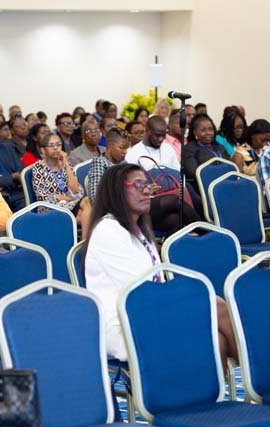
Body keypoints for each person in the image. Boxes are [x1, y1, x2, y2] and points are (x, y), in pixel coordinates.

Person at [83, 164, 235, 362]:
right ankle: (256, 369)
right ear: (116, 191)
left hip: (148, 312)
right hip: (125, 325)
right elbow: (137, 291)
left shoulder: (138, 231)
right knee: (215, 304)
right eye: (138, 185)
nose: (147, 191)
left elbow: (155, 284)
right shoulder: (108, 231)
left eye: (147, 185)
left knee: (217, 340)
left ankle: (222, 379)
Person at [31, 132, 84, 213]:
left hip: (71, 204)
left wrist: (66, 163)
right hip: (51, 208)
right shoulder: (38, 167)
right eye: (51, 145)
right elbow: (42, 197)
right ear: (43, 150)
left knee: (86, 204)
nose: (56, 148)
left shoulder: (66, 164)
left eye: (58, 144)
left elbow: (75, 190)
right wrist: (68, 198)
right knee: (85, 206)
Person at [183, 114, 232, 182]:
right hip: (204, 185)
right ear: (195, 132)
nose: (208, 133)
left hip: (226, 181)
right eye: (203, 130)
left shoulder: (220, 147)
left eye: (210, 129)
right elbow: (193, 172)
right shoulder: (189, 149)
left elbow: (231, 167)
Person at [86, 128, 128, 203]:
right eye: (121, 147)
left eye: (126, 148)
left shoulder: (124, 163)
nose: (125, 151)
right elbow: (95, 197)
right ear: (110, 146)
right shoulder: (100, 163)